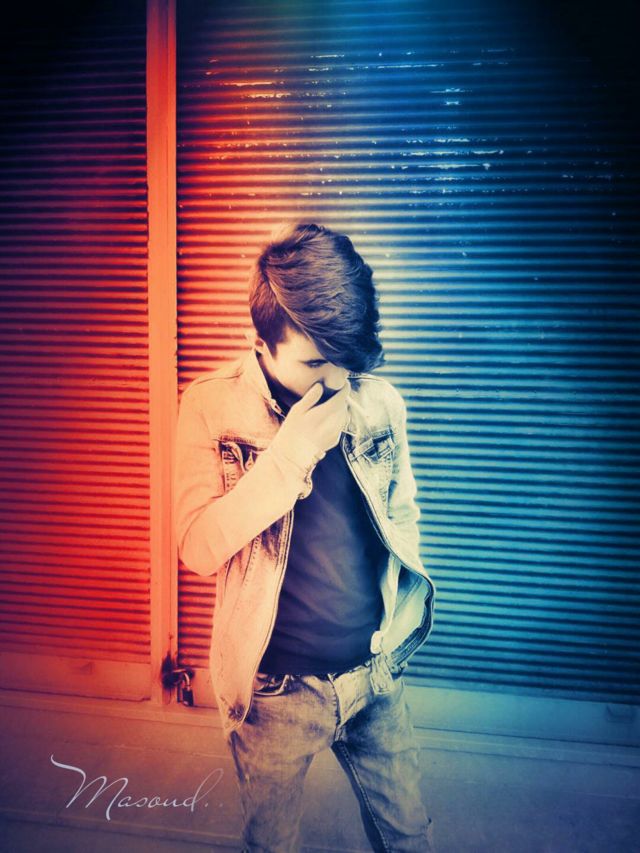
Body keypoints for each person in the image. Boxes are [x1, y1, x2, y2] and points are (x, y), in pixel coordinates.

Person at [174, 222, 436, 852]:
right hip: (275, 693)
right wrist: (287, 458)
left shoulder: (379, 403)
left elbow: (401, 517)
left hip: (373, 675)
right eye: (315, 362)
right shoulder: (210, 406)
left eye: (346, 355)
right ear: (258, 345)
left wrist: (395, 634)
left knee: (411, 837)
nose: (338, 378)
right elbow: (198, 547)